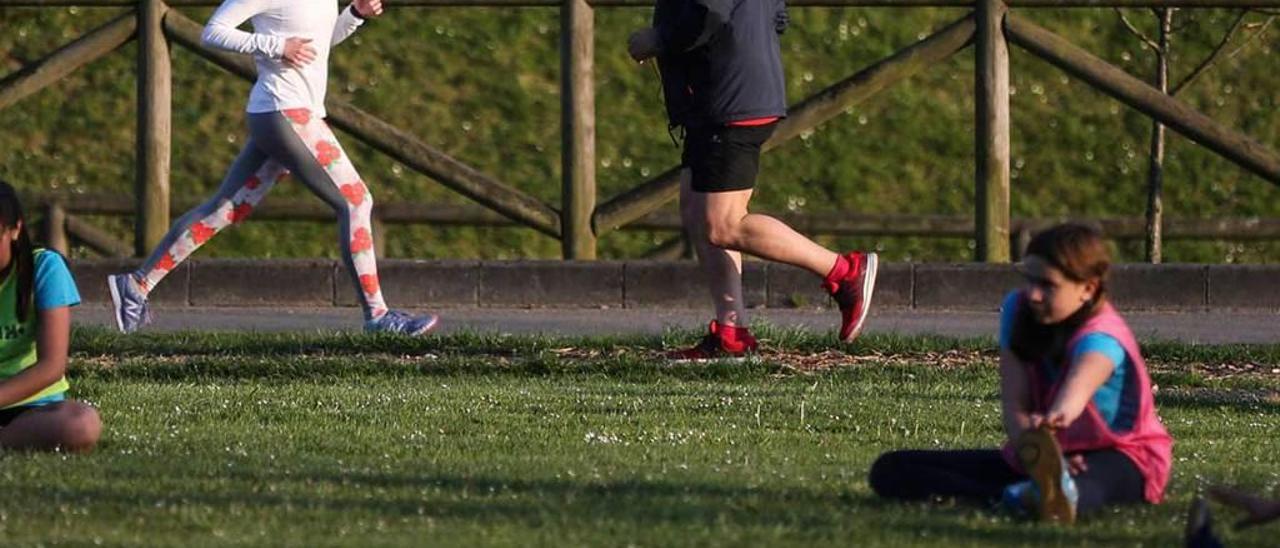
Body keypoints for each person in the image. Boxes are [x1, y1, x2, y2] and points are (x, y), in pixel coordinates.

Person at [108, 0, 438, 336]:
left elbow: (317, 45)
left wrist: (353, 15)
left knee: (225, 209)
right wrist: (276, 45)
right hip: (286, 113)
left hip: (289, 114)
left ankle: (135, 287)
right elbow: (214, 32)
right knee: (355, 201)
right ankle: (378, 317)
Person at [869, 223, 1173, 523]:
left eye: (1048, 285)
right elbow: (1015, 405)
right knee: (891, 468)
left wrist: (1052, 422)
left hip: (1122, 457)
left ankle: (1036, 496)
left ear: (1088, 288)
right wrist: (1039, 452)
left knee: (1084, 491)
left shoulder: (1103, 336)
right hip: (1043, 455)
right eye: (1030, 281)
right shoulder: (1017, 309)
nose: (1034, 295)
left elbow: (1076, 392)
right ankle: (1023, 495)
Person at [627, 0, 877, 360]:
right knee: (696, 206)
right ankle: (731, 332)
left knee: (723, 223)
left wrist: (660, 38)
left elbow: (708, 14)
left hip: (731, 97)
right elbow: (778, 16)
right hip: (721, 94)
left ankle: (845, 272)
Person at [0, 181, 101, 452]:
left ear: (15, 229)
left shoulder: (45, 267)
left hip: (30, 408)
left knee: (82, 424)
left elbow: (51, 366)